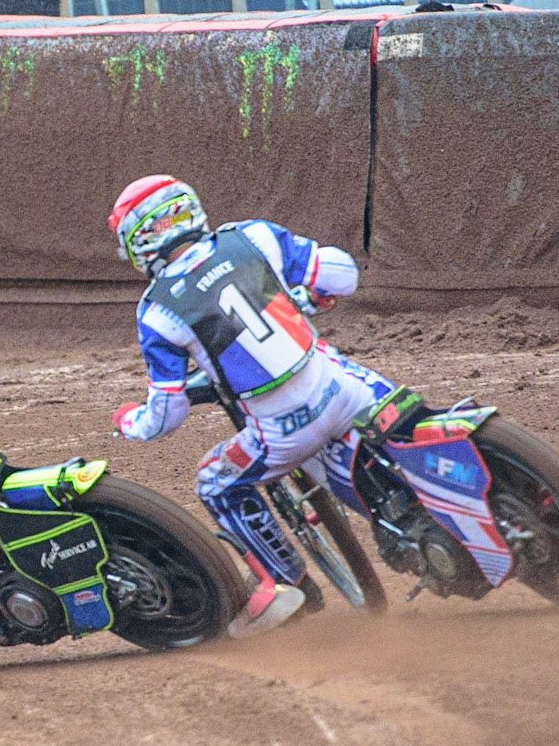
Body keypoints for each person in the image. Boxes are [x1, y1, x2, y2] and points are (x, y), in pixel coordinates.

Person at [108, 175, 395, 638]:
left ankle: (287, 583)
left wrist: (131, 423)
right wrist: (306, 298)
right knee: (397, 413)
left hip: (283, 430)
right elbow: (342, 275)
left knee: (215, 482)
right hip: (345, 389)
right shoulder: (252, 236)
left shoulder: (157, 311)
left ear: (140, 240)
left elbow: (167, 412)